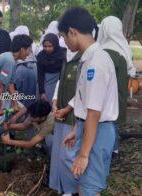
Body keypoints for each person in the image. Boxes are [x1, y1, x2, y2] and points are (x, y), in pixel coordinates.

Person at [59, 8, 119, 196]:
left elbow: (94, 111)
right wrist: (77, 130)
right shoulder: (88, 59)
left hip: (98, 129)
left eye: (63, 36)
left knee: (89, 187)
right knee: (86, 184)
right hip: (91, 128)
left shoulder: (96, 62)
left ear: (72, 32)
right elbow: (86, 101)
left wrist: (84, 155)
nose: (64, 42)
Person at [0, 34, 33, 174]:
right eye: (28, 50)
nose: (29, 53)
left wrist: (15, 103)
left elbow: (10, 83)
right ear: (22, 49)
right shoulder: (9, 60)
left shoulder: (10, 59)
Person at [97, 16, 135, 157]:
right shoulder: (123, 49)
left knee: (104, 122)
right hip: (118, 94)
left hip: (102, 94)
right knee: (113, 122)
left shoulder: (101, 50)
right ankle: (114, 148)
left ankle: (106, 148)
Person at [49, 53, 82, 195]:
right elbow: (59, 83)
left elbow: (83, 89)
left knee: (68, 153)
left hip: (73, 115)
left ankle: (72, 189)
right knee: (58, 151)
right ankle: (59, 185)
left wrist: (68, 108)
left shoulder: (83, 59)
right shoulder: (66, 58)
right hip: (61, 112)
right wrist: (55, 103)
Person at [37, 33, 66, 103]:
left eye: (50, 46)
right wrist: (42, 91)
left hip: (59, 83)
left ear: (55, 45)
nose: (47, 49)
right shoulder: (41, 56)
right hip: (46, 84)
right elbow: (40, 74)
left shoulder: (62, 53)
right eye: (45, 46)